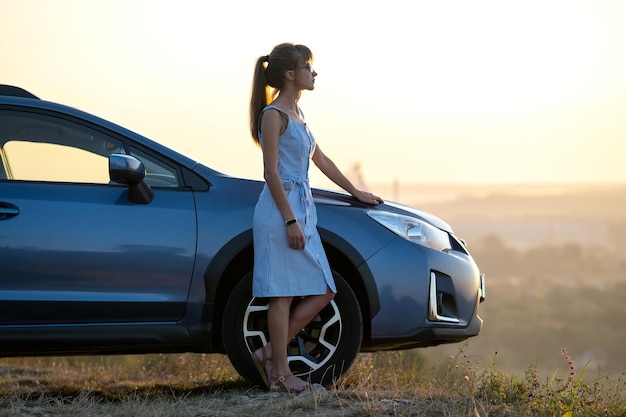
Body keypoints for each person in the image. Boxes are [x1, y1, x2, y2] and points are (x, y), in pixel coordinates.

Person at [249, 43, 383, 393]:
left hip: (303, 209)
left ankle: (267, 353)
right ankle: (280, 374)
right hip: (281, 212)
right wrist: (290, 221)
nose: (314, 72)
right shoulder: (273, 115)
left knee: (325, 289)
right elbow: (271, 173)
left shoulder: (299, 117)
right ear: (290, 75)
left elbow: (321, 161)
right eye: (308, 67)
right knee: (281, 296)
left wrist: (357, 192)